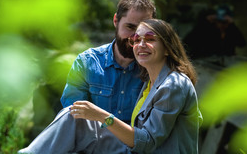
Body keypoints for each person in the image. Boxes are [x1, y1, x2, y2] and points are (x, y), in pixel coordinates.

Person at [18, 0, 156, 154]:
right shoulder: (88, 62)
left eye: (142, 30)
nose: (135, 37)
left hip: (135, 147)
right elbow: (74, 119)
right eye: (130, 27)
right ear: (115, 21)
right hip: (93, 143)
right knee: (72, 113)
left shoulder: (154, 68)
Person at [70, 19, 202, 153]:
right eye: (136, 40)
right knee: (68, 120)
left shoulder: (173, 85)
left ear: (167, 49)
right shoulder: (149, 82)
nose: (141, 44)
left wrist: (102, 116)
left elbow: (147, 142)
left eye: (150, 39)